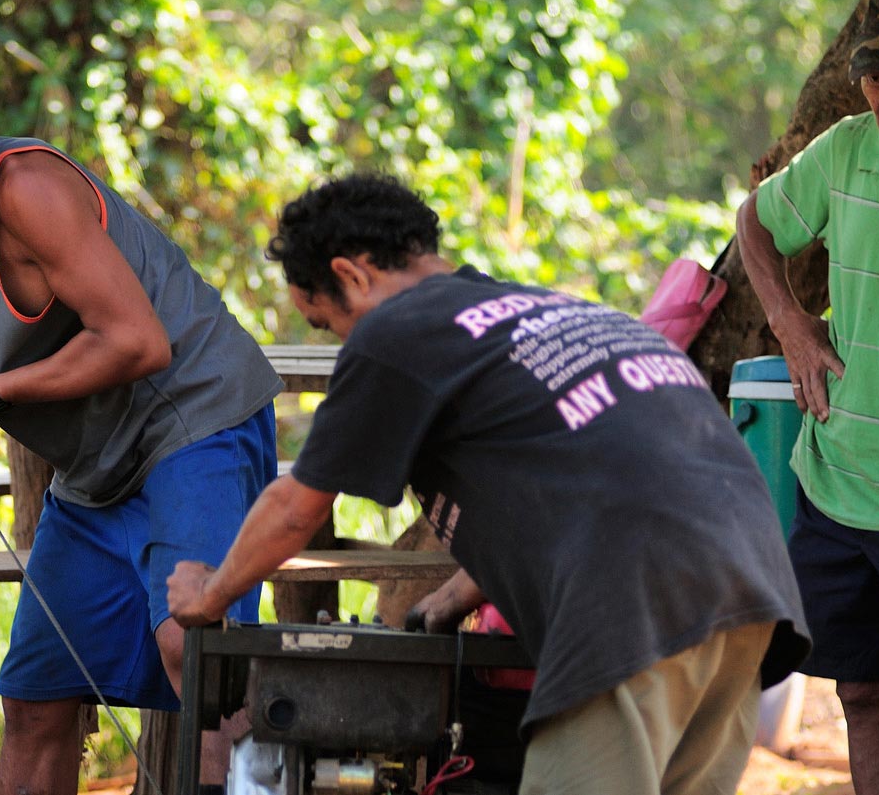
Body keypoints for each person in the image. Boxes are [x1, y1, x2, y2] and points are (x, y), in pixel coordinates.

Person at [168, 171, 811, 795]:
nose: (341, 341)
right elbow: (594, 472)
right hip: (748, 587)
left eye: (326, 323)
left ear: (351, 276)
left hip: (633, 597)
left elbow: (295, 510)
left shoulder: (397, 328)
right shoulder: (549, 312)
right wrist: (451, 598)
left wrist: (210, 593)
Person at [0, 36, 284, 795]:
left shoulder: (28, 188)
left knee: (196, 656)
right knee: (39, 693)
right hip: (96, 467)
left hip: (194, 421)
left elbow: (136, 341)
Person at [735, 0, 879, 791]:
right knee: (865, 692)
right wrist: (791, 324)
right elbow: (757, 221)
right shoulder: (844, 151)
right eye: (878, 79)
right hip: (842, 486)